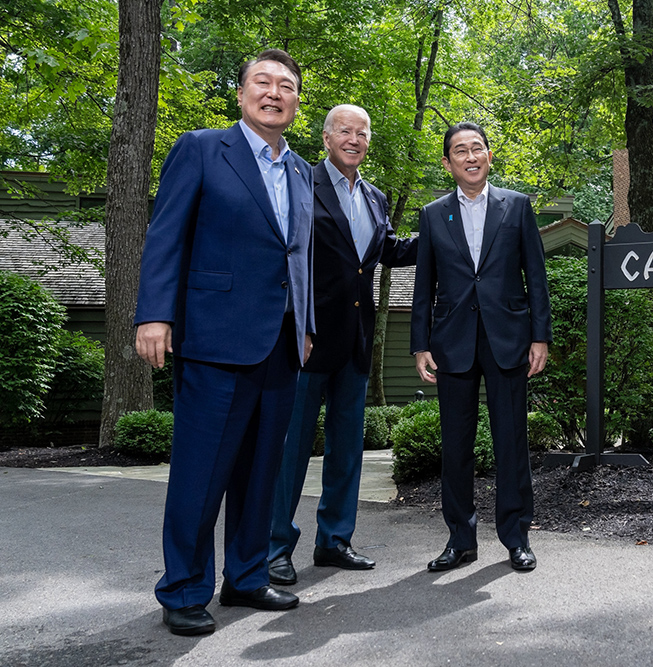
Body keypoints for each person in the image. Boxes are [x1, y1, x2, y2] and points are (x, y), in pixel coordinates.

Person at [134, 49, 314, 637]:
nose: (274, 92)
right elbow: (166, 233)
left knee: (262, 472)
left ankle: (246, 575)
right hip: (213, 340)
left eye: (286, 86)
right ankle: (184, 588)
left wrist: (305, 324)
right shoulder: (203, 148)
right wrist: (154, 314)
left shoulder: (302, 171)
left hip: (281, 344)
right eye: (262, 82)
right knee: (201, 472)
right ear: (240, 95)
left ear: (295, 101)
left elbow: (299, 258)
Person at [268, 104, 417, 585]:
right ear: (327, 138)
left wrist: (445, 223)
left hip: (355, 342)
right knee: (291, 450)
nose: (354, 139)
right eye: (345, 131)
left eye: (362, 132)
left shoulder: (375, 196)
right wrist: (298, 324)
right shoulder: (300, 183)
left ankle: (334, 540)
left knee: (347, 448)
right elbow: (286, 254)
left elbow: (388, 250)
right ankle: (274, 548)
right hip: (306, 339)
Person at [411, 121, 552, 572]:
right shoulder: (433, 214)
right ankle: (460, 540)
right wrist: (420, 345)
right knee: (456, 446)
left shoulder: (517, 206)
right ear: (447, 162)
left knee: (511, 442)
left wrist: (539, 336)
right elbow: (423, 286)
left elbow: (536, 276)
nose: (470, 157)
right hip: (452, 343)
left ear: (489, 156)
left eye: (478, 148)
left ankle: (516, 537)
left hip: (508, 339)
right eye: (460, 151)